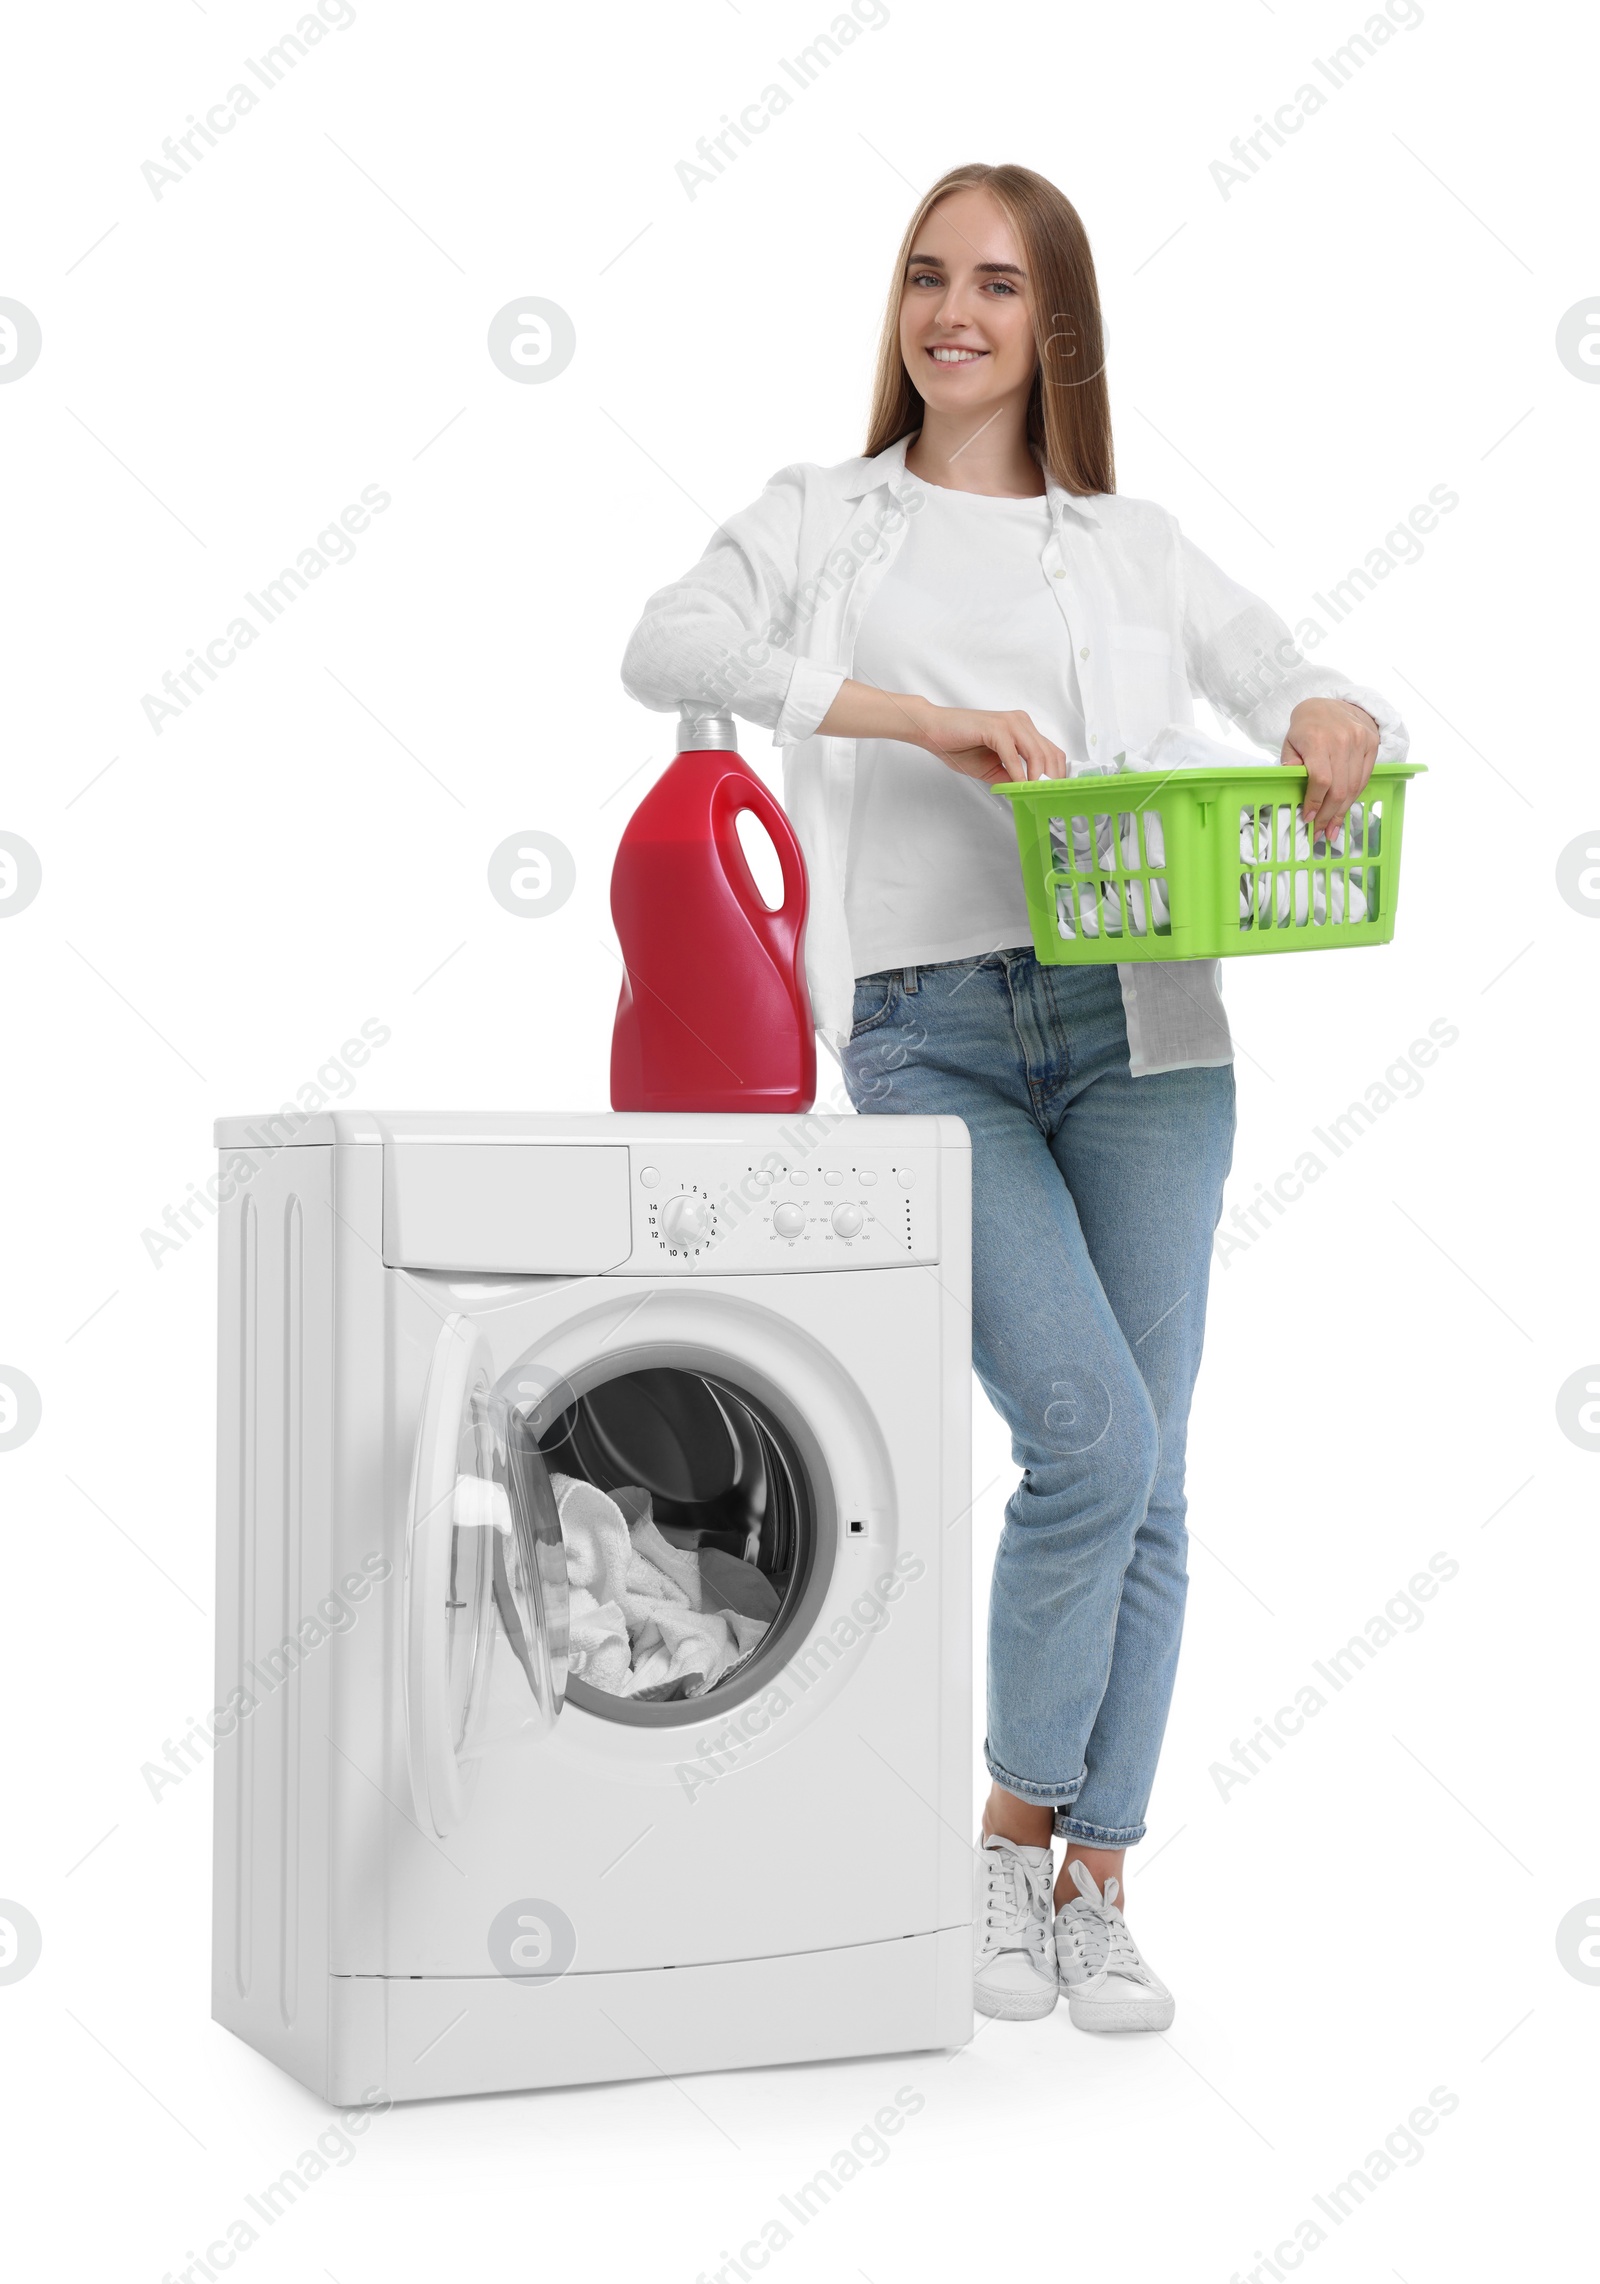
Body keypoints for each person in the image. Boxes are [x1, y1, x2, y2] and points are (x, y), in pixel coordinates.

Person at [621, 162, 1407, 2028]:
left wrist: (1327, 715)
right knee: (1093, 1441)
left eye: (992, 281)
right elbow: (666, 645)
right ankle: (1001, 1846)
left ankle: (1097, 1880)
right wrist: (927, 721)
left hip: (1147, 1032)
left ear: (1053, 322)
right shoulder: (825, 518)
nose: (951, 312)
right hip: (927, 1037)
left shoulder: (1125, 544)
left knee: (1154, 1477)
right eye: (923, 277)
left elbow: (1286, 672)